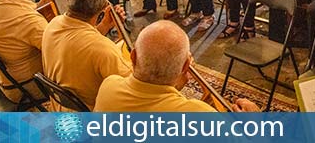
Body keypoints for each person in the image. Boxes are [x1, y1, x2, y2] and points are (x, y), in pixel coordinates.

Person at [94, 20, 260, 112]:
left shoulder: (109, 85)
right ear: (185, 66)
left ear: (133, 56)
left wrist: (174, 88)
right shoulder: (199, 115)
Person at [42, 0, 132, 111]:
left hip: (60, 109)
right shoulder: (103, 49)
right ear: (103, 6)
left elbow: (80, 43)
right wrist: (121, 36)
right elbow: (131, 90)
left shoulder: (52, 24)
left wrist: (104, 26)